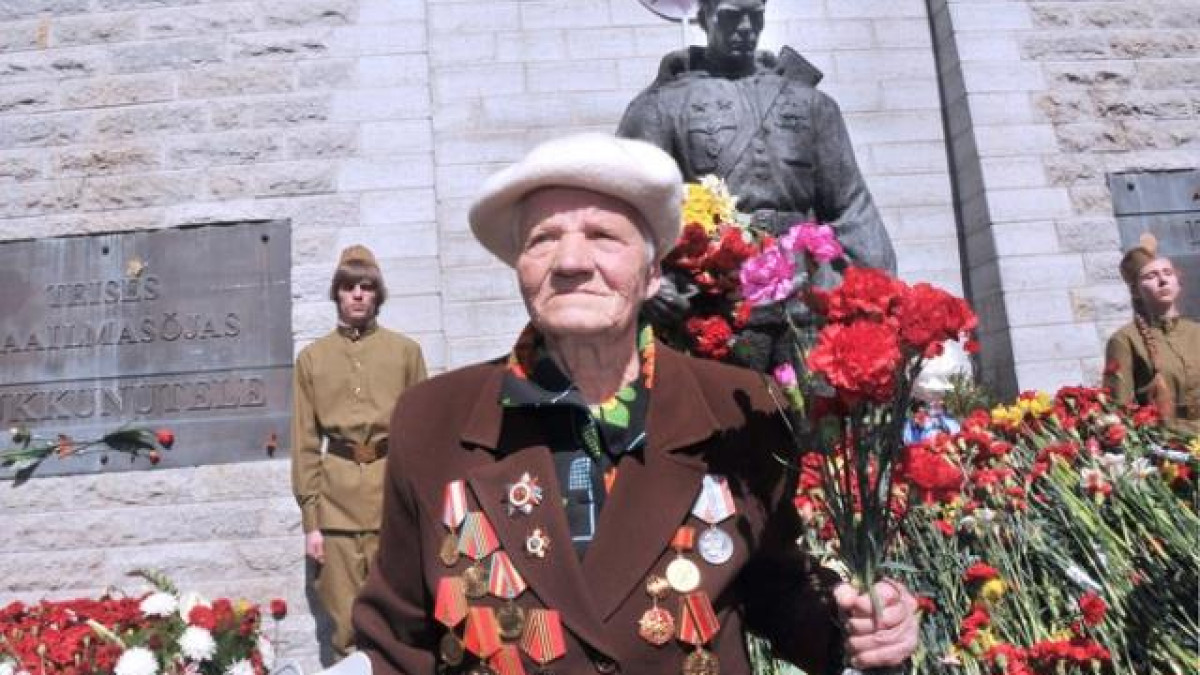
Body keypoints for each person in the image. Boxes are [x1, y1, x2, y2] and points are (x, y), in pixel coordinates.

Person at [353, 134, 918, 675]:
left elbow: (775, 587)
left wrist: (859, 627)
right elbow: (397, 638)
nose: (570, 261)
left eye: (603, 236)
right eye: (542, 239)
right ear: (520, 269)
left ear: (651, 275)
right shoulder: (433, 420)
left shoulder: (738, 408)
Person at [618, 0, 896, 369]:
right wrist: (647, 280)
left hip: (807, 295)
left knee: (817, 402)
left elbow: (850, 205)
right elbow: (626, 207)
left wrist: (878, 292)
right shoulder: (662, 105)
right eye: (732, 16)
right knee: (729, 402)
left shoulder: (810, 103)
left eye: (755, 16)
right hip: (715, 304)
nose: (746, 27)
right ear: (704, 17)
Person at [291, 245, 428, 659]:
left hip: (392, 501)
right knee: (345, 625)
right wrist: (311, 523)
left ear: (377, 295)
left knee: (402, 618)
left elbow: (422, 437)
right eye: (349, 286)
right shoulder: (312, 360)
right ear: (336, 293)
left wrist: (421, 512)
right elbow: (305, 442)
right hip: (337, 507)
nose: (357, 295)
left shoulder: (405, 353)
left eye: (366, 287)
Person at [1104, 234, 1200, 436]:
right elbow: (1118, 413)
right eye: (1151, 276)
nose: (1163, 280)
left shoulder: (1196, 332)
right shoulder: (1125, 340)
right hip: (1171, 448)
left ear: (1178, 282)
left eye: (1167, 273)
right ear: (1136, 291)